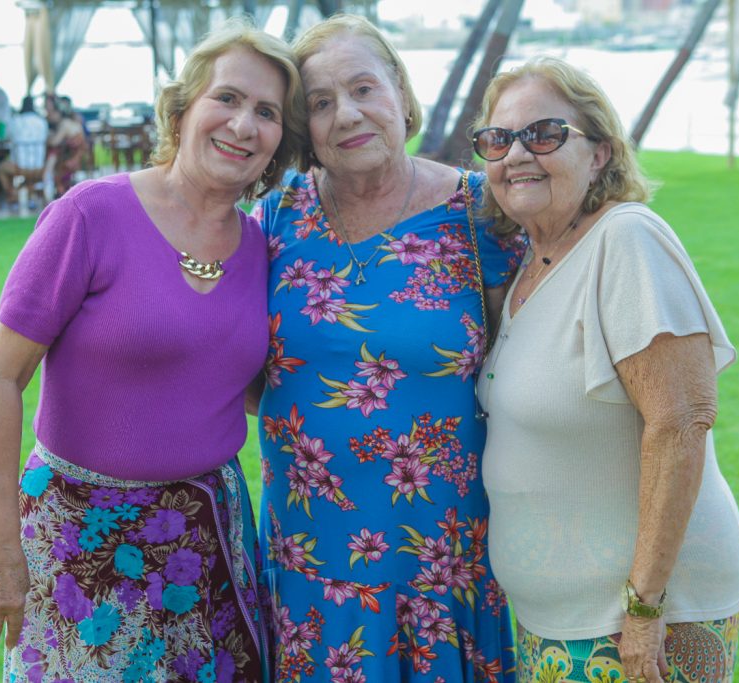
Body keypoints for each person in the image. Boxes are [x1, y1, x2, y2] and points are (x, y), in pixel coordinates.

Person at [0, 18, 305, 682]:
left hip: (207, 545)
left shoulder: (264, 248)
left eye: (267, 112)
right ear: (184, 106)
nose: (243, 123)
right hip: (79, 543)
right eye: (226, 98)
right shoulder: (90, 215)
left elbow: (243, 382)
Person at [251, 14, 524, 682]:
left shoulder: (480, 211)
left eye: (364, 89)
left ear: (400, 93)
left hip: (441, 555)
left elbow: (524, 365)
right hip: (310, 552)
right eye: (320, 103)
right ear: (302, 127)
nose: (347, 114)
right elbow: (241, 360)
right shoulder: (278, 214)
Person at [472, 57, 739, 683]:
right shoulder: (532, 261)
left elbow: (682, 424)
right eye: (498, 139)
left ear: (600, 153)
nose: (516, 154)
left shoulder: (626, 240)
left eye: (543, 134)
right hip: (558, 618)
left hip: (638, 618)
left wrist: (644, 607)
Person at [0, 96, 49, 210]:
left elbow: (5, 136)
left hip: (19, 167)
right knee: (29, 173)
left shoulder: (16, 121)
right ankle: (30, 198)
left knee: (0, 168)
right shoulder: (42, 121)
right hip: (39, 168)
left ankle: (12, 195)